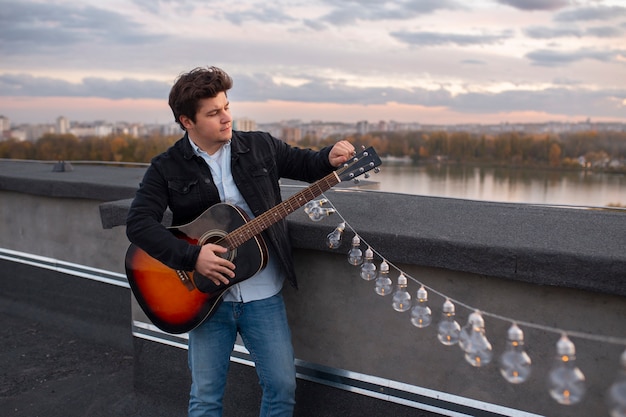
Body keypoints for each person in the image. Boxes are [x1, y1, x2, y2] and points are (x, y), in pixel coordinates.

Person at [125, 66, 355, 417]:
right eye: (214, 113)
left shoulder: (259, 146)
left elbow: (304, 162)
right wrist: (192, 257)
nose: (226, 118)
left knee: (281, 387)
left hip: (263, 294)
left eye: (227, 107)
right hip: (202, 300)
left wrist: (329, 157)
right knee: (205, 398)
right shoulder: (166, 167)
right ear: (187, 121)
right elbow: (139, 224)